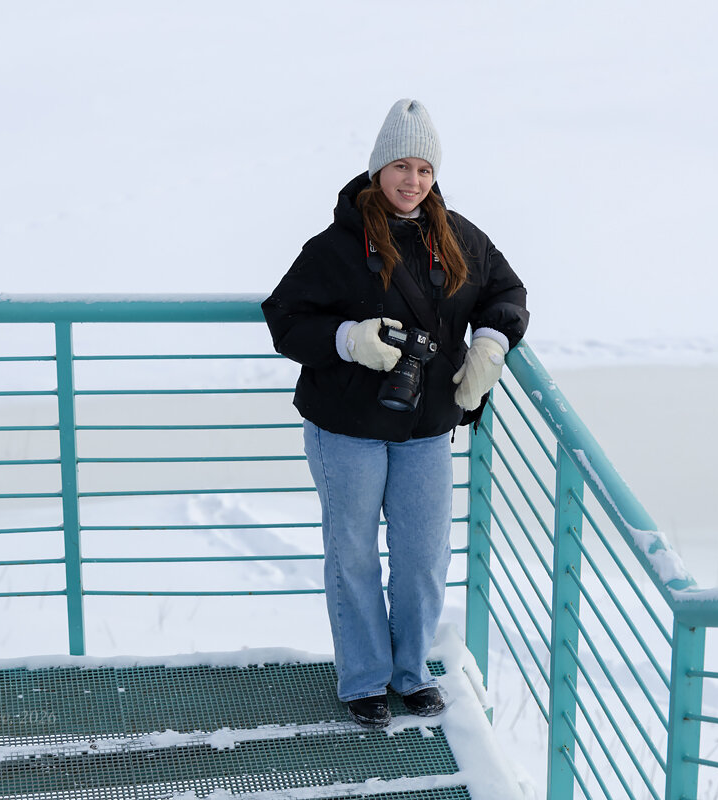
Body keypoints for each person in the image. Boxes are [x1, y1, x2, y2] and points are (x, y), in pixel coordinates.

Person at [262, 99, 528, 728]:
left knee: (422, 555)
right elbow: (286, 319)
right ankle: (363, 680)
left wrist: (491, 342)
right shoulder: (334, 246)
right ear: (378, 169)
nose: (413, 181)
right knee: (351, 551)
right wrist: (348, 338)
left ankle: (411, 673)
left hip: (428, 424)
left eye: (425, 170)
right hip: (345, 427)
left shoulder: (461, 237)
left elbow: (507, 292)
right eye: (401, 167)